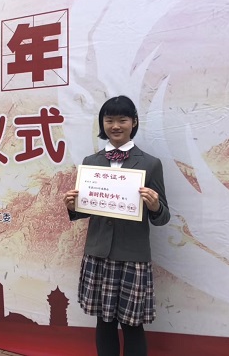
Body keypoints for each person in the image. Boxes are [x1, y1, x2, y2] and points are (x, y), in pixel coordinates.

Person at [63, 95, 170, 356]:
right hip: (98, 252)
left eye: (122, 119)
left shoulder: (150, 163)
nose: (115, 126)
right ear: (102, 123)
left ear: (134, 122)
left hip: (132, 256)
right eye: (109, 120)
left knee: (132, 325)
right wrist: (72, 205)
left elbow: (162, 217)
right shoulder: (91, 162)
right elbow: (86, 210)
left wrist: (155, 205)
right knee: (104, 321)